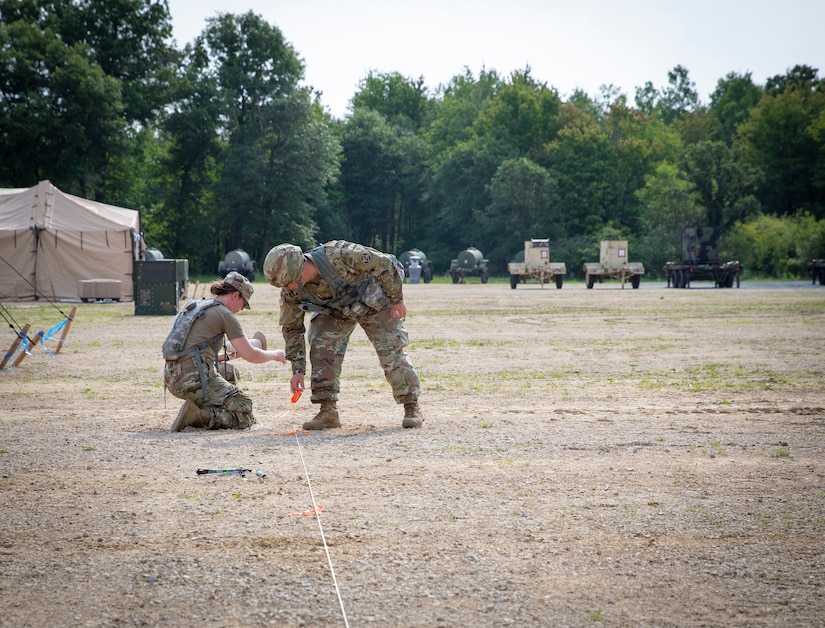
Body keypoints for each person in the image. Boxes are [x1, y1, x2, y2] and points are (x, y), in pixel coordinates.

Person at [263, 240, 423, 430]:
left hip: (375, 300)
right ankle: (328, 411)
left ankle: (411, 406)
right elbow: (292, 329)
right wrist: (297, 370)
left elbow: (384, 264)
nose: (288, 289)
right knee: (321, 345)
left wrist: (397, 300)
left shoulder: (339, 254)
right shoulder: (291, 292)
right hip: (337, 311)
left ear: (300, 268)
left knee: (391, 350)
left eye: (289, 283)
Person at [164, 271, 286, 432]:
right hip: (191, 380)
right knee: (244, 408)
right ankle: (200, 415)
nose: (241, 309)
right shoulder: (224, 314)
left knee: (228, 372)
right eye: (244, 304)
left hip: (172, 378)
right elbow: (251, 355)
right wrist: (274, 355)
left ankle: (205, 404)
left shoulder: (198, 306)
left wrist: (226, 356)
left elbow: (190, 351)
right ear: (236, 295)